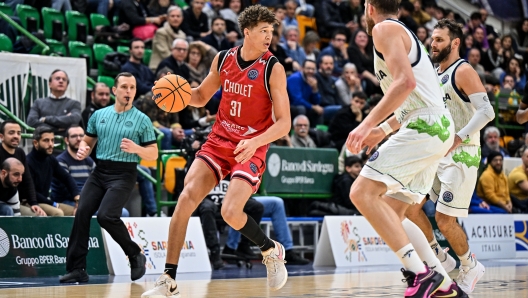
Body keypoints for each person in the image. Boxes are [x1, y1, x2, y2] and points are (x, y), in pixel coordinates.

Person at [142, 5, 291, 297]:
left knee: (231, 211)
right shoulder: (223, 59)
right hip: (220, 140)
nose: (268, 37)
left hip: (252, 145)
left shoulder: (273, 68)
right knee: (185, 199)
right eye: (263, 31)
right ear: (247, 32)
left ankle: (270, 250)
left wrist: (257, 141)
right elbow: (199, 96)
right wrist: (176, 94)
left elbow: (284, 123)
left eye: (271, 32)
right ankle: (168, 278)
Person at [346, 1, 459, 297]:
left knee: (361, 193)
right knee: (394, 213)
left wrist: (364, 124)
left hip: (426, 126)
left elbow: (405, 84)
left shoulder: (384, 29)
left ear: (370, 7)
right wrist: (381, 131)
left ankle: (420, 274)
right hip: (435, 126)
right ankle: (444, 284)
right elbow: (417, 96)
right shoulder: (407, 34)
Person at [405, 19, 493, 295]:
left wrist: (460, 136)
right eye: (432, 39)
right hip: (437, 152)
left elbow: (487, 111)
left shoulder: (463, 70)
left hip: (462, 154)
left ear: (455, 43)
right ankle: (439, 258)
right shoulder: (433, 72)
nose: (433, 44)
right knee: (409, 208)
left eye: (440, 39)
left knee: (444, 219)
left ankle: (470, 265)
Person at [60, 72, 158, 283]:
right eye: (124, 87)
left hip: (124, 174)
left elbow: (153, 153)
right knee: (82, 212)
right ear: (115, 91)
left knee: (106, 216)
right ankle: (77, 268)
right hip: (99, 172)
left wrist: (136, 148)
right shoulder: (98, 115)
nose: (129, 92)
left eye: (132, 87)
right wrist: (83, 151)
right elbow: (87, 142)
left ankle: (134, 254)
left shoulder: (142, 120)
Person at [26, 127, 77, 216]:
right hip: (30, 202)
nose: (51, 144)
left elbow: (66, 177)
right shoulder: (28, 162)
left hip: (46, 202)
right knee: (58, 213)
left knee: (79, 212)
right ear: (35, 143)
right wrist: (52, 203)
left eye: (52, 140)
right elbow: (31, 192)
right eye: (46, 140)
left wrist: (77, 197)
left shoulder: (51, 160)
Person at [0, 120, 45, 216]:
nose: (16, 136)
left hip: (12, 197)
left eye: (19, 133)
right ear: (1, 136)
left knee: (36, 215)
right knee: (7, 211)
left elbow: (27, 180)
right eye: (11, 133)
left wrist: (33, 202)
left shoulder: (20, 152)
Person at [26, 70, 82, 135]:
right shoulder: (38, 103)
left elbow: (74, 120)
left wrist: (46, 119)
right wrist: (56, 129)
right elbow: (31, 122)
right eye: (57, 78)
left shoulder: (74, 104)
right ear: (50, 84)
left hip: (65, 143)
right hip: (42, 143)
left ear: (67, 85)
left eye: (64, 79)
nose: (61, 81)